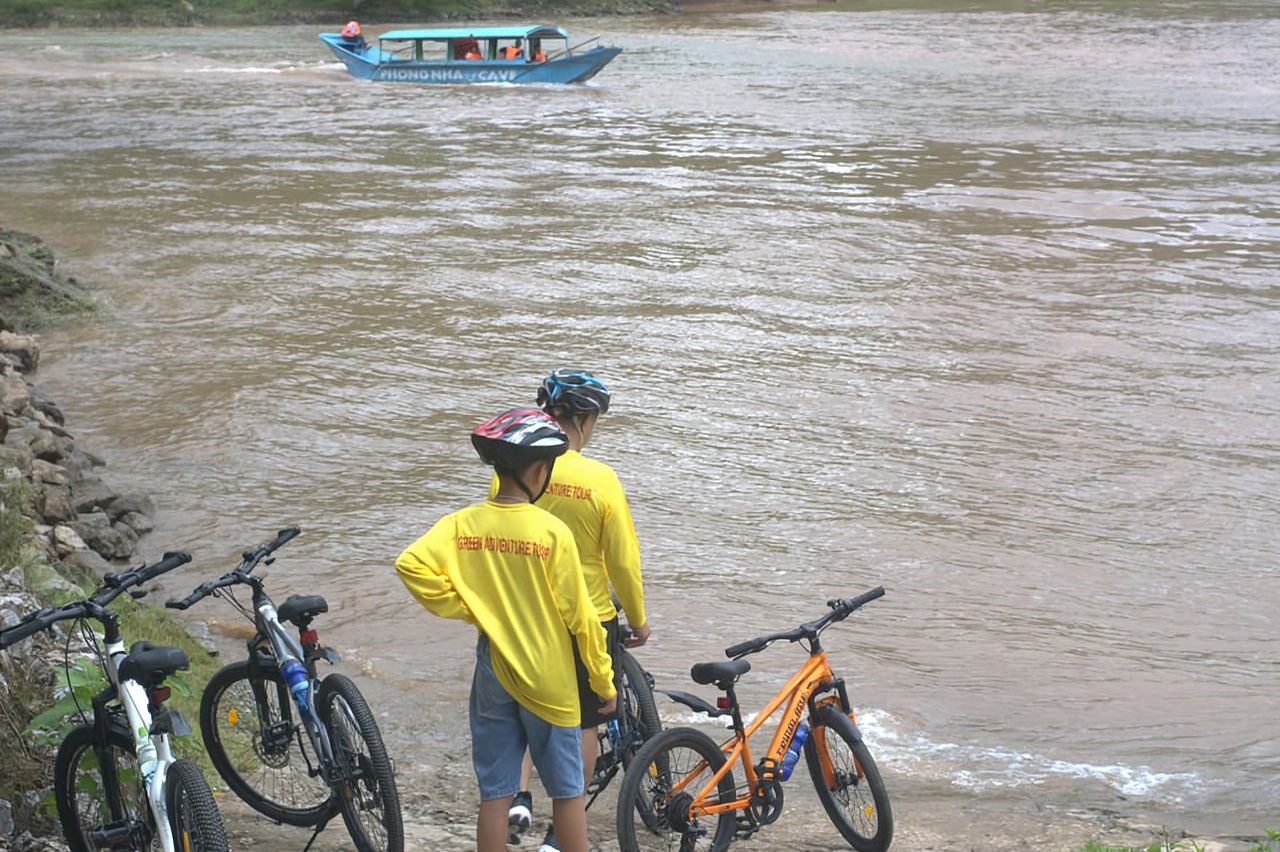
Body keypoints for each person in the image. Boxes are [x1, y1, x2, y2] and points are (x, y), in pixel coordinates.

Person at [396, 408, 617, 852]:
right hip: (548, 679)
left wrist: (471, 609)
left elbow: (410, 565)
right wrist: (602, 681)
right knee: (567, 793)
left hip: (493, 670)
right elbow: (582, 619)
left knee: (495, 794)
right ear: (537, 471)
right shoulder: (551, 533)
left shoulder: (463, 525)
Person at [503, 371, 650, 852]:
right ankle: (557, 834)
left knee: (524, 710)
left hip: (523, 611)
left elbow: (501, 532)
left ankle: (517, 800)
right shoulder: (600, 480)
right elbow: (622, 560)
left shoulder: (516, 464)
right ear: (585, 420)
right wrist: (639, 618)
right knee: (585, 721)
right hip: (585, 617)